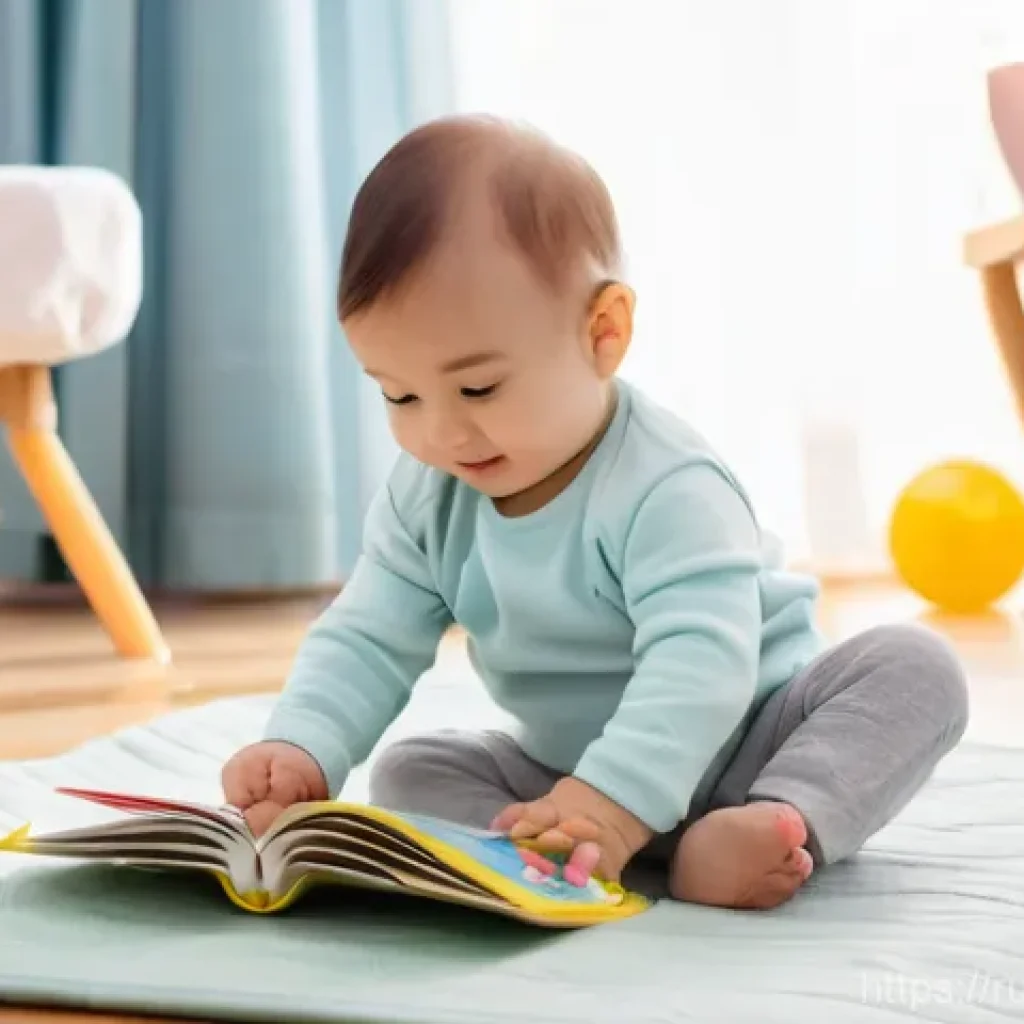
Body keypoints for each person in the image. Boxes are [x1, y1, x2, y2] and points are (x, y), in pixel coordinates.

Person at [221, 114, 969, 910]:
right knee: (410, 772)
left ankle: (774, 823)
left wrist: (616, 801)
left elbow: (701, 666)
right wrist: (302, 743)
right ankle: (562, 847)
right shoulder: (428, 495)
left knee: (917, 670)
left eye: (478, 387)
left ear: (603, 333)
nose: (439, 430)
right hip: (566, 776)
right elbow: (367, 634)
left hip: (752, 739)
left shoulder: (667, 484)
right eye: (397, 393)